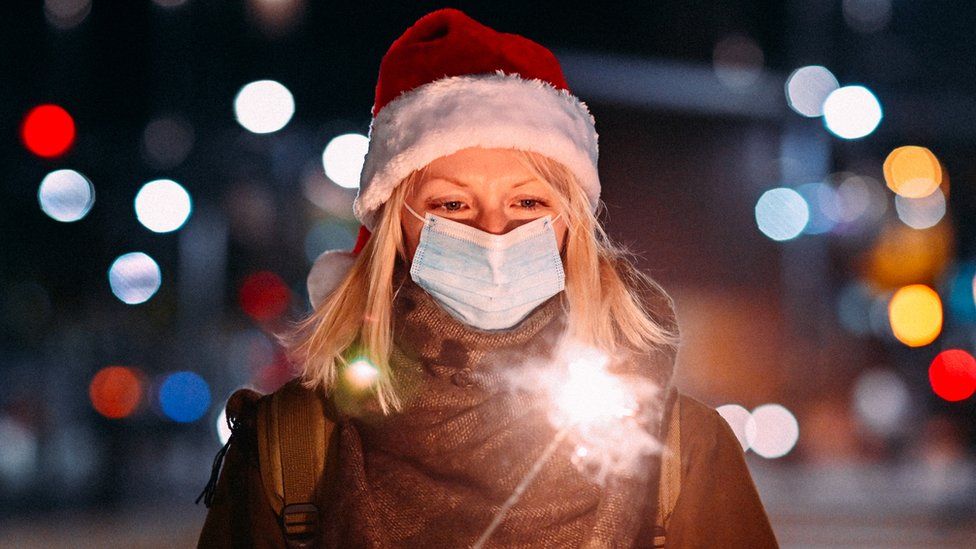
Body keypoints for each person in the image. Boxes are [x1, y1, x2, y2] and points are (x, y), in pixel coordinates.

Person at [196, 8, 779, 548]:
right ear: (394, 225)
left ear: (573, 225)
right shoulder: (292, 448)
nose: (494, 234)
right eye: (451, 206)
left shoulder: (679, 449)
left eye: (528, 203)